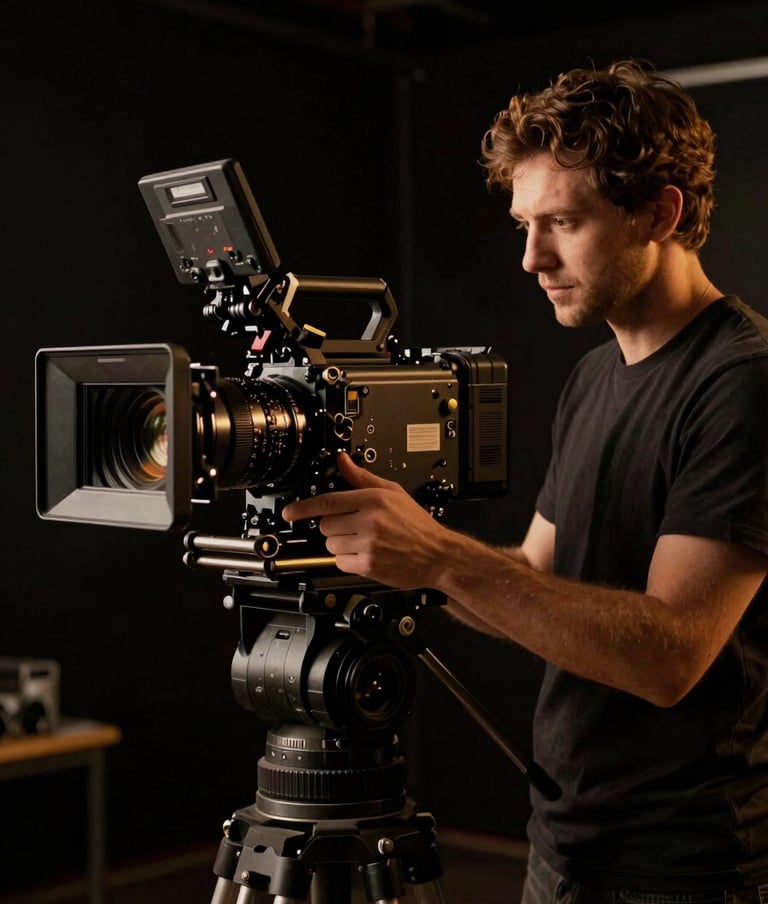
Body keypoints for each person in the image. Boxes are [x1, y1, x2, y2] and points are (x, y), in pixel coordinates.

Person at [281, 59, 768, 902]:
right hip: (561, 844)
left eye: (563, 223)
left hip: (688, 870)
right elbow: (536, 581)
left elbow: (672, 655)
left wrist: (439, 558)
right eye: (522, 224)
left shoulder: (744, 381)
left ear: (662, 211)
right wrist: (386, 557)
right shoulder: (593, 378)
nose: (531, 257)